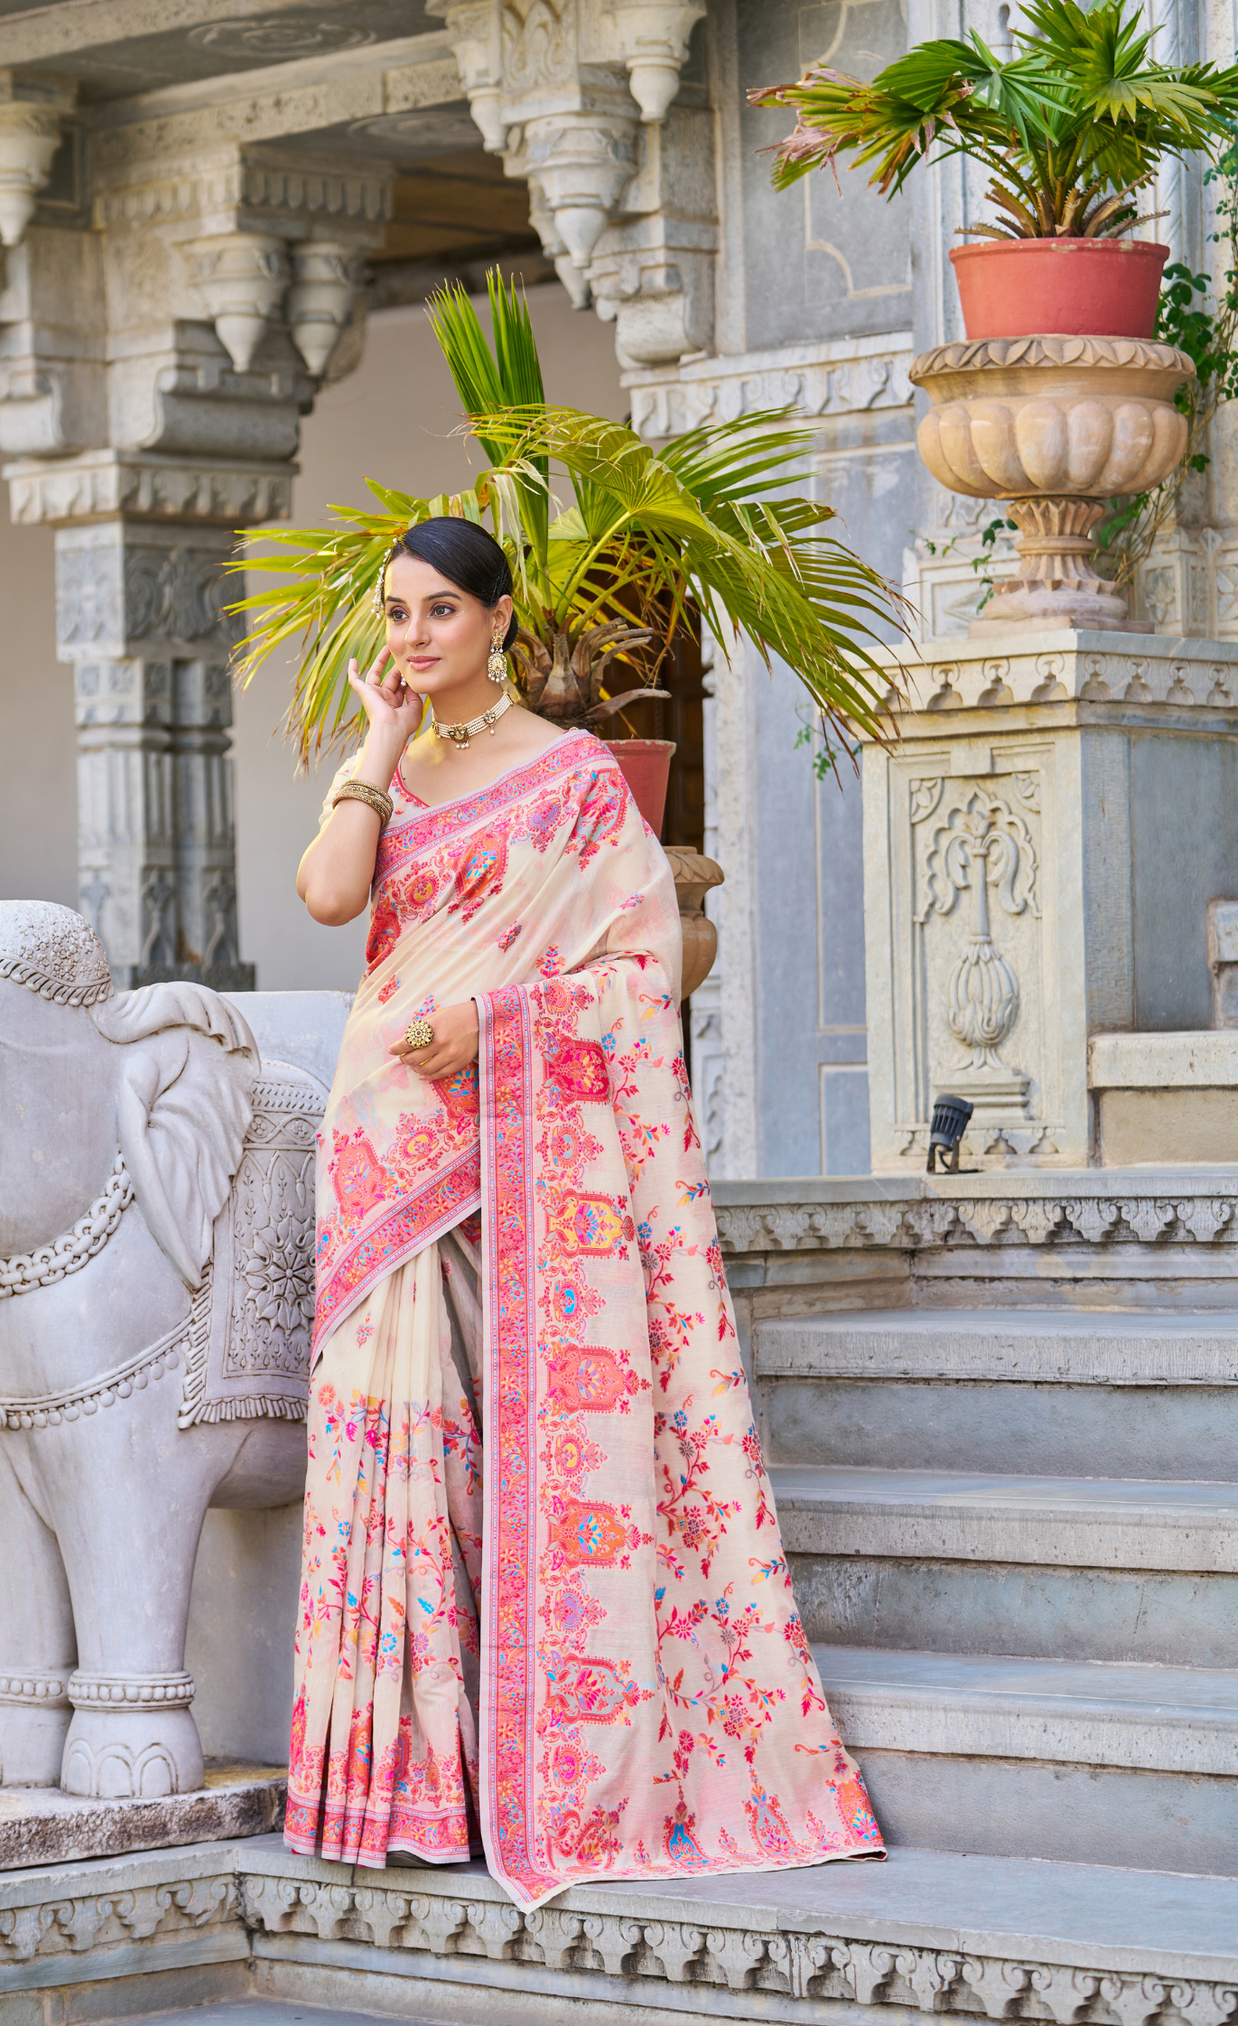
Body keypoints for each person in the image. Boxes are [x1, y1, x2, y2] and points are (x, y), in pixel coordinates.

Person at [288, 514, 882, 1909]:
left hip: (504, 1151)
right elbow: (327, 899)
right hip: (381, 1159)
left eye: (441, 613)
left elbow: (640, 969)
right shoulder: (384, 771)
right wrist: (374, 745)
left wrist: (491, 1025)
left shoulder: (568, 783)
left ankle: (513, 1768)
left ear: (500, 620)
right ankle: (399, 1787)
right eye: (396, 614)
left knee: (494, 1458)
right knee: (394, 1455)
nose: (414, 638)